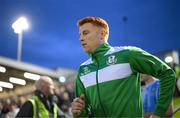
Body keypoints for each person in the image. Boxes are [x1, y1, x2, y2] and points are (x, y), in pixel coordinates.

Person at [71, 16, 176, 117]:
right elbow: (84, 111)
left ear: (102, 34)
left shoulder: (127, 54)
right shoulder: (82, 70)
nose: (81, 38)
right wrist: (78, 112)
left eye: (85, 33)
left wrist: (159, 113)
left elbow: (167, 74)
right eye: (79, 35)